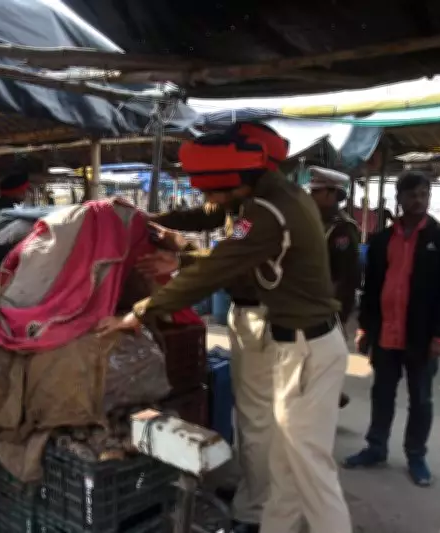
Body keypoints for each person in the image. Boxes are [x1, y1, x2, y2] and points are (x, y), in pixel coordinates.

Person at [97, 122, 352, 533]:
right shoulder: (274, 196)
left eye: (215, 191)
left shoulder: (266, 213)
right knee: (287, 464)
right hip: (297, 344)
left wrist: (139, 312)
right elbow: (212, 223)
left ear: (239, 183)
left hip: (307, 348)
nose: (210, 200)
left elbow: (220, 264)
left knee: (310, 469)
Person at [343, 171, 440, 487]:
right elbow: (371, 290)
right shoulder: (383, 240)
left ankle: (416, 456)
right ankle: (376, 448)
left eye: (423, 194)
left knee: (420, 399)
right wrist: (364, 329)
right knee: (382, 393)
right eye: (411, 194)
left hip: (422, 337)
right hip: (385, 333)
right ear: (399, 198)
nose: (418, 200)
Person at [308, 166, 361, 409]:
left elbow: (345, 276)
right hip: (307, 302)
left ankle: (330, 397)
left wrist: (337, 312)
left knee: (327, 355)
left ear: (331, 195)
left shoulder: (341, 229)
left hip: (329, 304)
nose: (311, 196)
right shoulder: (309, 220)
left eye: (316, 192)